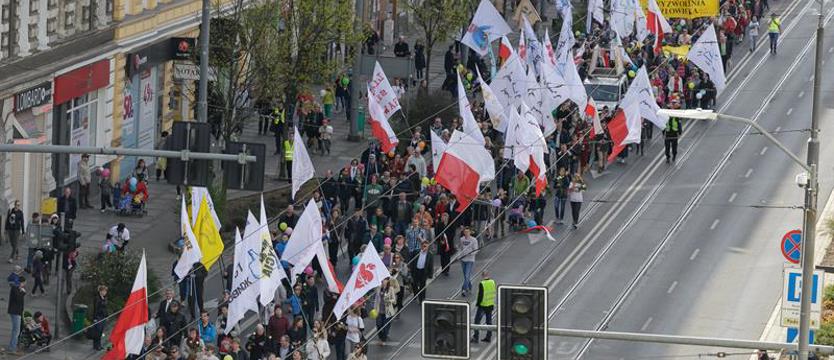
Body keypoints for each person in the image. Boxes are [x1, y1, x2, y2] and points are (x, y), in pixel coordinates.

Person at [471, 271, 496, 343]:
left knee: (476, 322)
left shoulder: (482, 283)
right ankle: (488, 337)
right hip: (490, 304)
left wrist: (478, 304)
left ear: (482, 276)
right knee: (489, 322)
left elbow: (480, 296)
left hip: (483, 305)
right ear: (488, 275)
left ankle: (476, 337)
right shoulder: (492, 282)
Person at [458, 227, 479, 297]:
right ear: (464, 233)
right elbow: (460, 248)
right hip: (463, 260)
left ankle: (463, 289)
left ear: (470, 232)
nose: (466, 233)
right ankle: (469, 287)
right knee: (466, 276)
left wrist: (471, 253)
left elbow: (476, 250)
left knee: (467, 275)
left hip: (470, 260)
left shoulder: (474, 240)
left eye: (468, 232)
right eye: (465, 232)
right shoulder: (461, 239)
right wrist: (459, 255)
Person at [7, 276, 25, 355]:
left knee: (16, 330)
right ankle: (12, 348)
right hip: (15, 312)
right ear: (21, 282)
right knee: (16, 331)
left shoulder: (17, 288)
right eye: (24, 282)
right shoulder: (15, 289)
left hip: (17, 312)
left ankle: (13, 346)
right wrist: (23, 292)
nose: (25, 284)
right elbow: (18, 299)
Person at [91, 285, 108, 350]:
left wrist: (107, 316)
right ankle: (96, 345)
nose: (105, 292)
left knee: (101, 332)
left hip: (103, 316)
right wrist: (95, 318)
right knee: (97, 331)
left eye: (106, 291)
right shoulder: (97, 298)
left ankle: (99, 345)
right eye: (104, 291)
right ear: (100, 291)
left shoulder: (105, 298)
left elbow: (105, 308)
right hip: (98, 316)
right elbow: (96, 308)